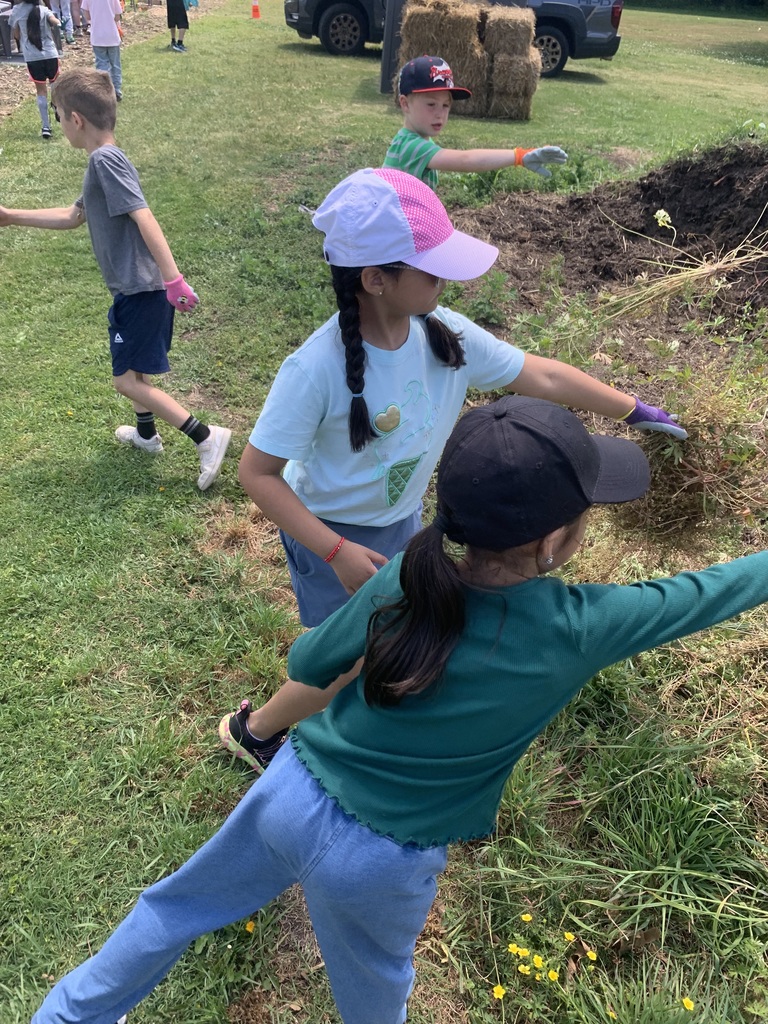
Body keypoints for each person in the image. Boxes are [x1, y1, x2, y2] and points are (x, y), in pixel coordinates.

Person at [29, 393, 768, 1024]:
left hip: (291, 791)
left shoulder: (405, 577)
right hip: (383, 858)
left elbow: (310, 664)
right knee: (375, 998)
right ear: (554, 540)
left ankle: (68, 1014)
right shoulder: (583, 627)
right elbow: (708, 594)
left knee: (173, 907)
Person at [217, 166, 686, 771]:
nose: (446, 277)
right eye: (430, 266)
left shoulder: (447, 338)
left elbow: (541, 374)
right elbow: (257, 474)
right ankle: (255, 732)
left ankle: (366, 701)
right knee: (343, 653)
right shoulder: (314, 370)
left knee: (392, 631)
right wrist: (334, 552)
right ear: (376, 280)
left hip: (403, 519)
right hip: (329, 532)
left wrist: (634, 408)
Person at [0, 68, 230, 490]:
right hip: (135, 289)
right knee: (135, 371)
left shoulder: (105, 160)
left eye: (57, 111)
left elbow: (143, 215)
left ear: (76, 120)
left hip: (141, 289)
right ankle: (146, 436)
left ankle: (206, 436)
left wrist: (173, 279)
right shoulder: (103, 161)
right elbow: (74, 216)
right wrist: (10, 217)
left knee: (124, 381)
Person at [383, 54, 568, 191]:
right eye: (431, 104)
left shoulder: (418, 140)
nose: (440, 114)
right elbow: (466, 160)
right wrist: (518, 156)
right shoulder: (411, 147)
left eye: (446, 105)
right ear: (405, 104)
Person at [8, 0, 61, 139]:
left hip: (32, 56)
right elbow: (54, 20)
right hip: (50, 54)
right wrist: (58, 22)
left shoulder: (17, 10)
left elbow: (17, 35)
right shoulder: (43, 9)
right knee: (55, 84)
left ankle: (46, 127)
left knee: (41, 91)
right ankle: (56, 106)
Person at [80, 0, 123, 100]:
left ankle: (104, 91)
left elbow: (87, 15)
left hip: (97, 35)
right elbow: (117, 15)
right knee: (115, 64)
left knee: (101, 65)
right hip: (112, 35)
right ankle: (117, 90)